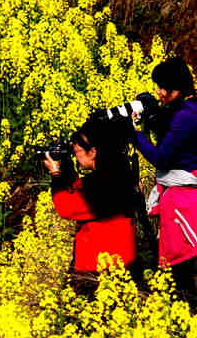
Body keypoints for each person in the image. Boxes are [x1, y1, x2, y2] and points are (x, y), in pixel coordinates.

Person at [132, 56, 197, 308]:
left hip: (181, 195)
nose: (159, 92)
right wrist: (154, 115)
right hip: (190, 190)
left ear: (179, 88)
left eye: (164, 87)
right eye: (157, 86)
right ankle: (186, 307)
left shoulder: (184, 117)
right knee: (183, 259)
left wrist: (136, 135)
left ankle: (185, 310)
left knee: (177, 260)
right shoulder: (194, 108)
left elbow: (161, 158)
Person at [43, 113, 140, 299]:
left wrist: (55, 175)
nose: (75, 155)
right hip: (124, 266)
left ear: (93, 151)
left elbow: (66, 207)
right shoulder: (120, 174)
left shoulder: (100, 186)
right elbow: (81, 188)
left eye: (77, 151)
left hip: (96, 272)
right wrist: (66, 169)